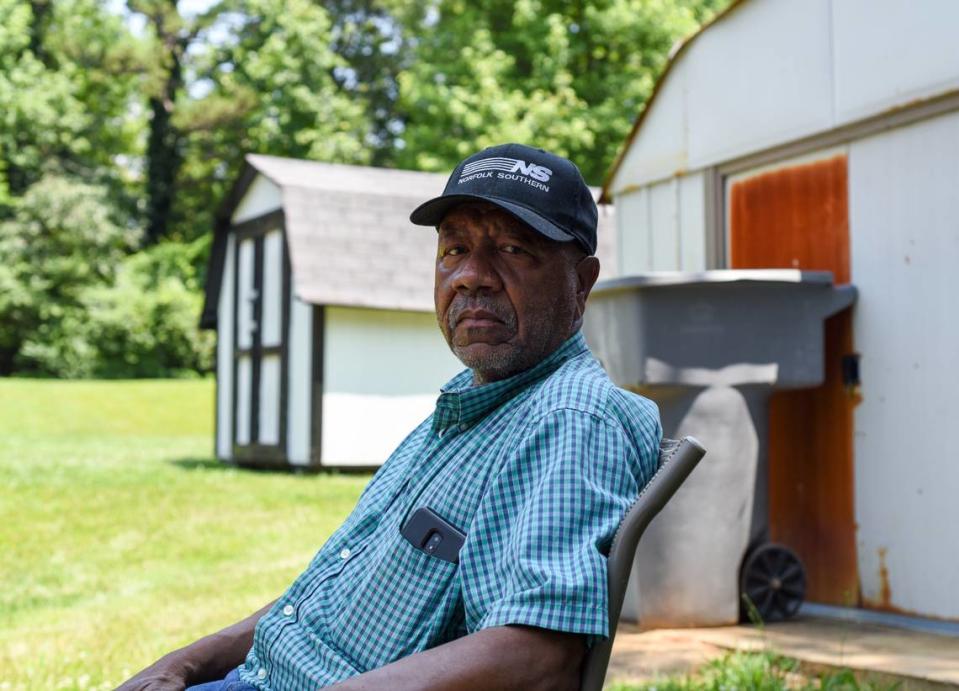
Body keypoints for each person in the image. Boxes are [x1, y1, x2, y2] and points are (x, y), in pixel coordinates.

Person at [117, 143, 662, 691]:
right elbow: (315, 599)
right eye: (453, 250)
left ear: (582, 283)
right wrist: (182, 663)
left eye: (514, 249)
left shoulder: (569, 418)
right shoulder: (465, 412)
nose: (472, 276)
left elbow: (536, 654)